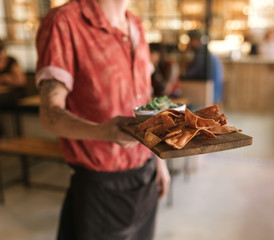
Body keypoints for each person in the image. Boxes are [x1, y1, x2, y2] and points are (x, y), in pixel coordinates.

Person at [35, 0, 170, 239]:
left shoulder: (136, 25)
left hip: (146, 175)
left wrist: (159, 159)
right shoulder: (65, 21)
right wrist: (104, 132)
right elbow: (49, 115)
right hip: (100, 186)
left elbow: (145, 100)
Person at [182, 30, 223, 104]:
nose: (189, 43)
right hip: (214, 92)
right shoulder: (205, 53)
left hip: (209, 93)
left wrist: (185, 57)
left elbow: (189, 73)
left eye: (191, 40)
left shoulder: (201, 55)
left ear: (196, 40)